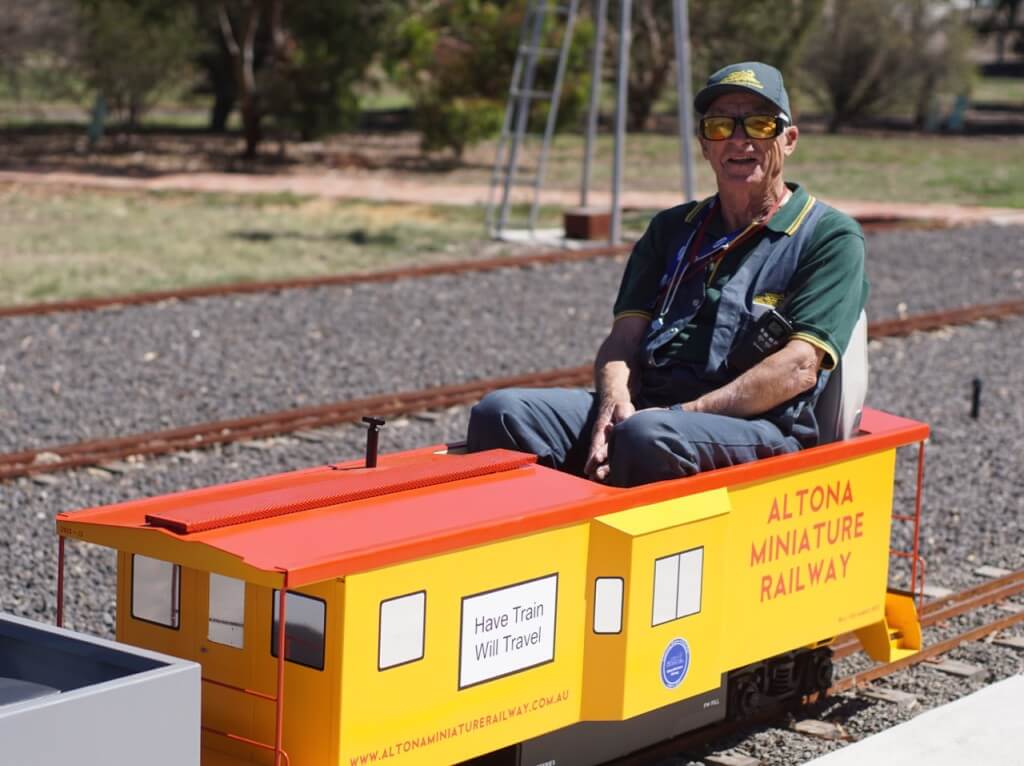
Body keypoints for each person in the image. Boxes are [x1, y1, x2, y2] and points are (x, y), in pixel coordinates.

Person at [467, 61, 868, 487]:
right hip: (651, 414)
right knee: (501, 414)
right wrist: (614, 402)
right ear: (703, 145)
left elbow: (799, 366)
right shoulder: (671, 229)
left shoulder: (829, 236)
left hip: (756, 426)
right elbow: (624, 341)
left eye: (758, 124)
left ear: (788, 140)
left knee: (645, 436)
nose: (739, 139)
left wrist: (682, 415)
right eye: (720, 127)